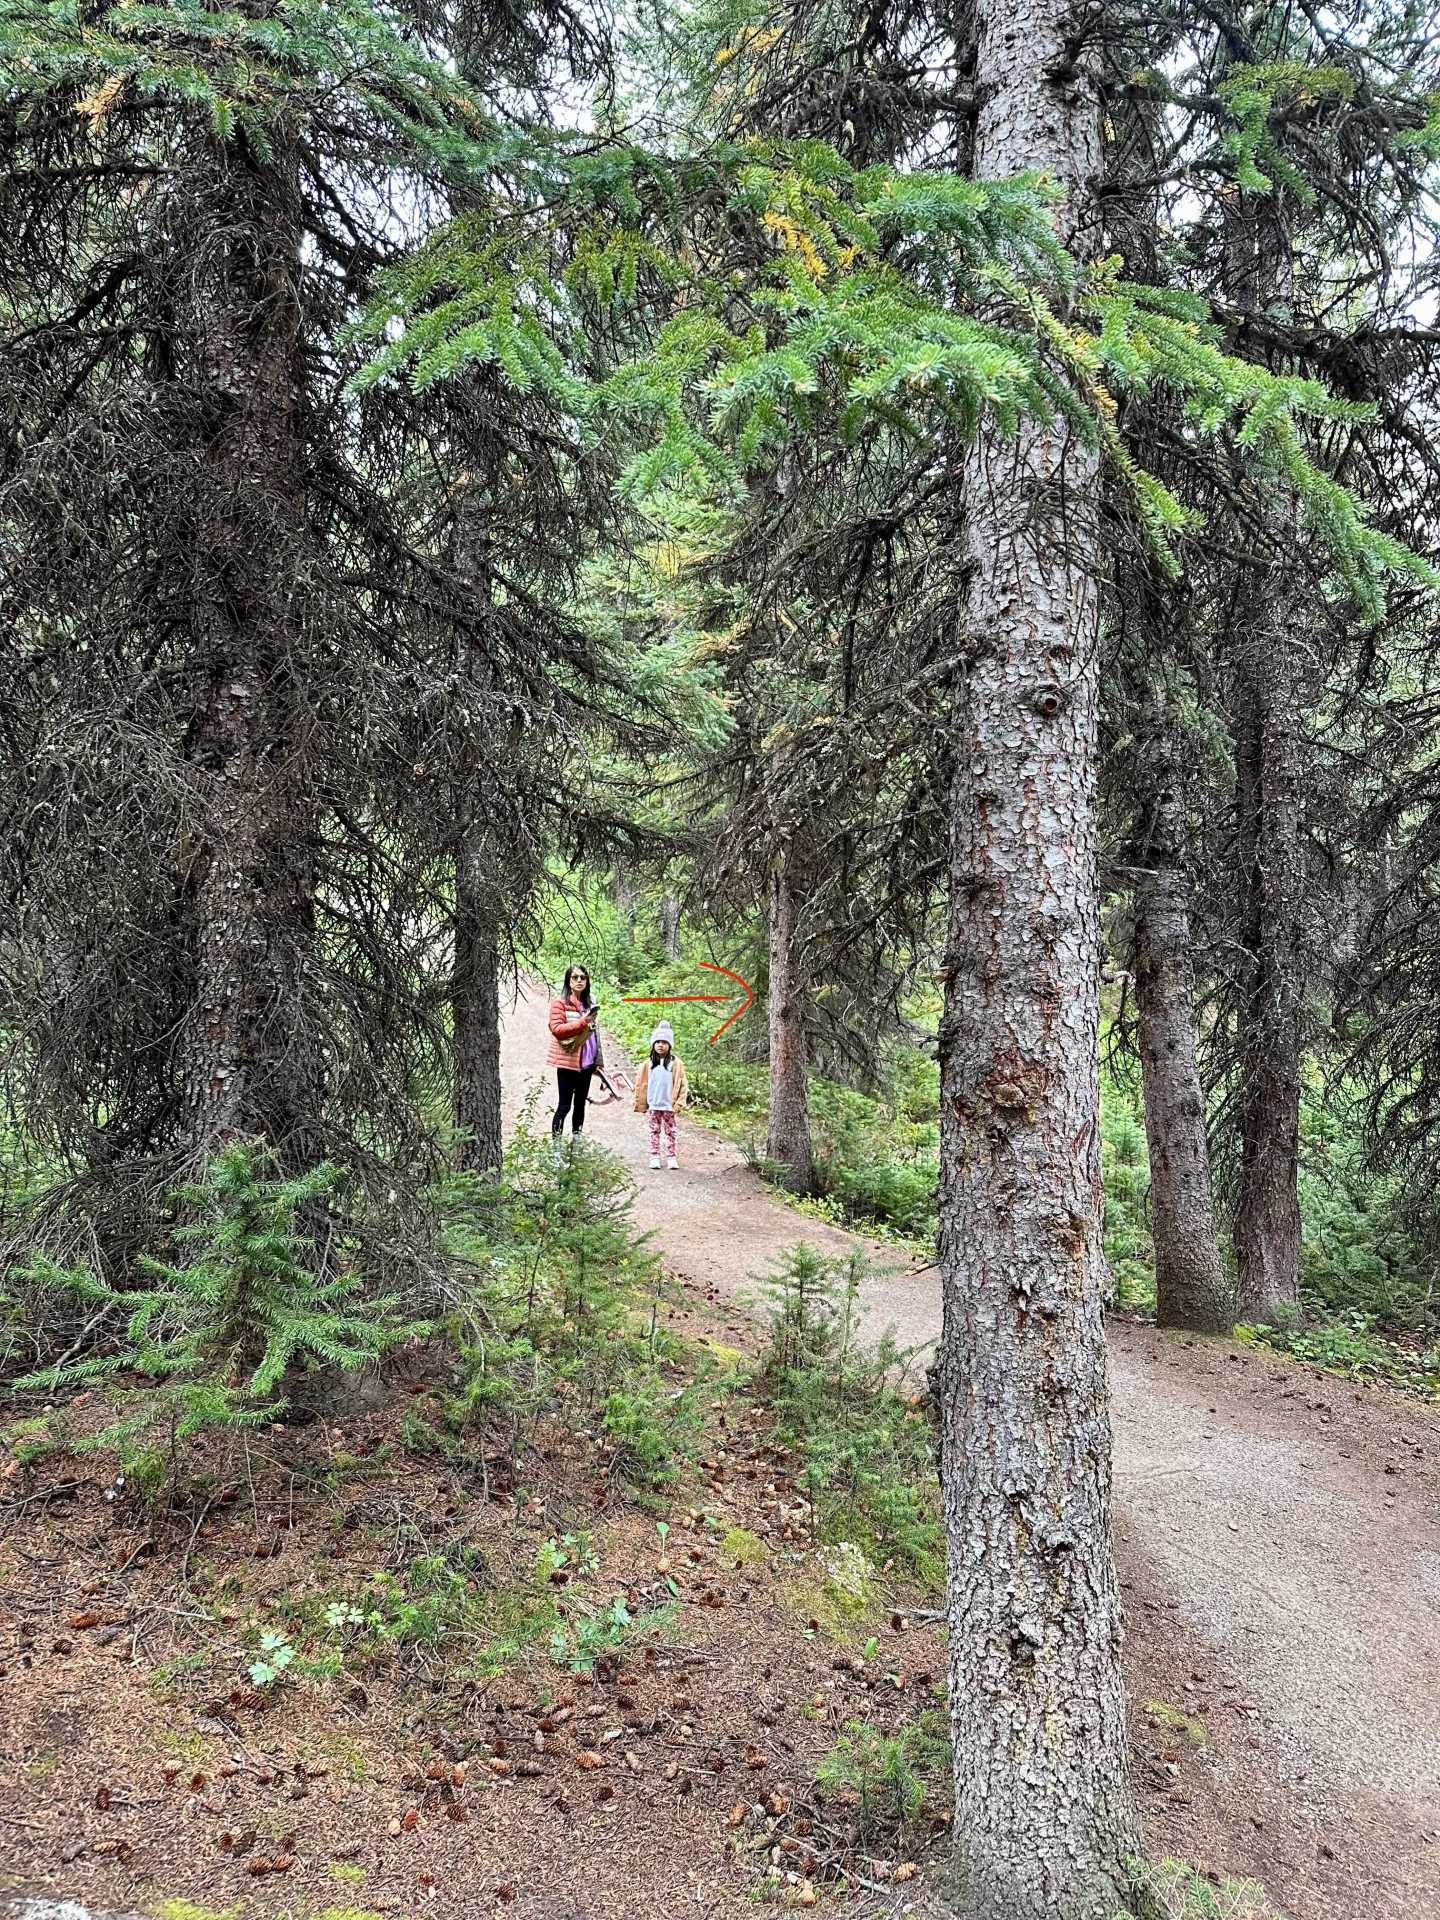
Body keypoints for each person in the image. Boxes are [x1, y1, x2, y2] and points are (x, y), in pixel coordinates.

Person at [547, 964, 603, 1139]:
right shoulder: (560, 1003)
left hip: (586, 1064)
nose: (579, 981)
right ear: (568, 980)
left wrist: (598, 1061)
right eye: (575, 977)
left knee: (580, 1105)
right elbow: (556, 1029)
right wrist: (582, 1022)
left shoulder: (590, 1004)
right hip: (568, 1064)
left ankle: (576, 1144)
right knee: (564, 1106)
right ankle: (556, 1148)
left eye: (583, 977)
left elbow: (595, 1035)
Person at [632, 1020, 688, 1169]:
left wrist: (679, 1102)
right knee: (654, 1130)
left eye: (664, 1042)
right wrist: (640, 1102)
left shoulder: (676, 1063)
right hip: (654, 1105)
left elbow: (683, 1084)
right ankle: (654, 1156)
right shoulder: (648, 1064)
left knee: (671, 1132)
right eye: (657, 1042)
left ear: (670, 1045)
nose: (660, 1045)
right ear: (653, 1044)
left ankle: (671, 1156)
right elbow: (640, 1084)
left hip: (669, 1105)